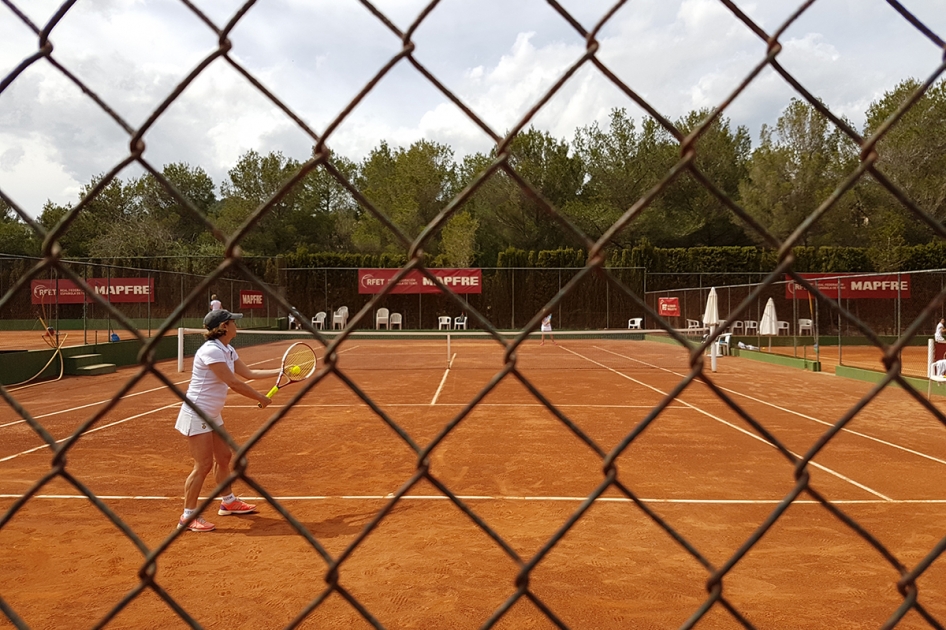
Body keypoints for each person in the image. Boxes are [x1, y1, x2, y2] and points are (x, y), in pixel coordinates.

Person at [174, 309, 281, 532]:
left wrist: (280, 371)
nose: (236, 325)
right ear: (224, 327)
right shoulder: (211, 351)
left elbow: (249, 374)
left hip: (212, 413)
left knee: (224, 456)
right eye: (233, 322)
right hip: (197, 412)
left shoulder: (228, 349)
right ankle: (188, 516)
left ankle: (228, 502)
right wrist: (261, 397)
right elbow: (233, 383)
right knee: (202, 465)